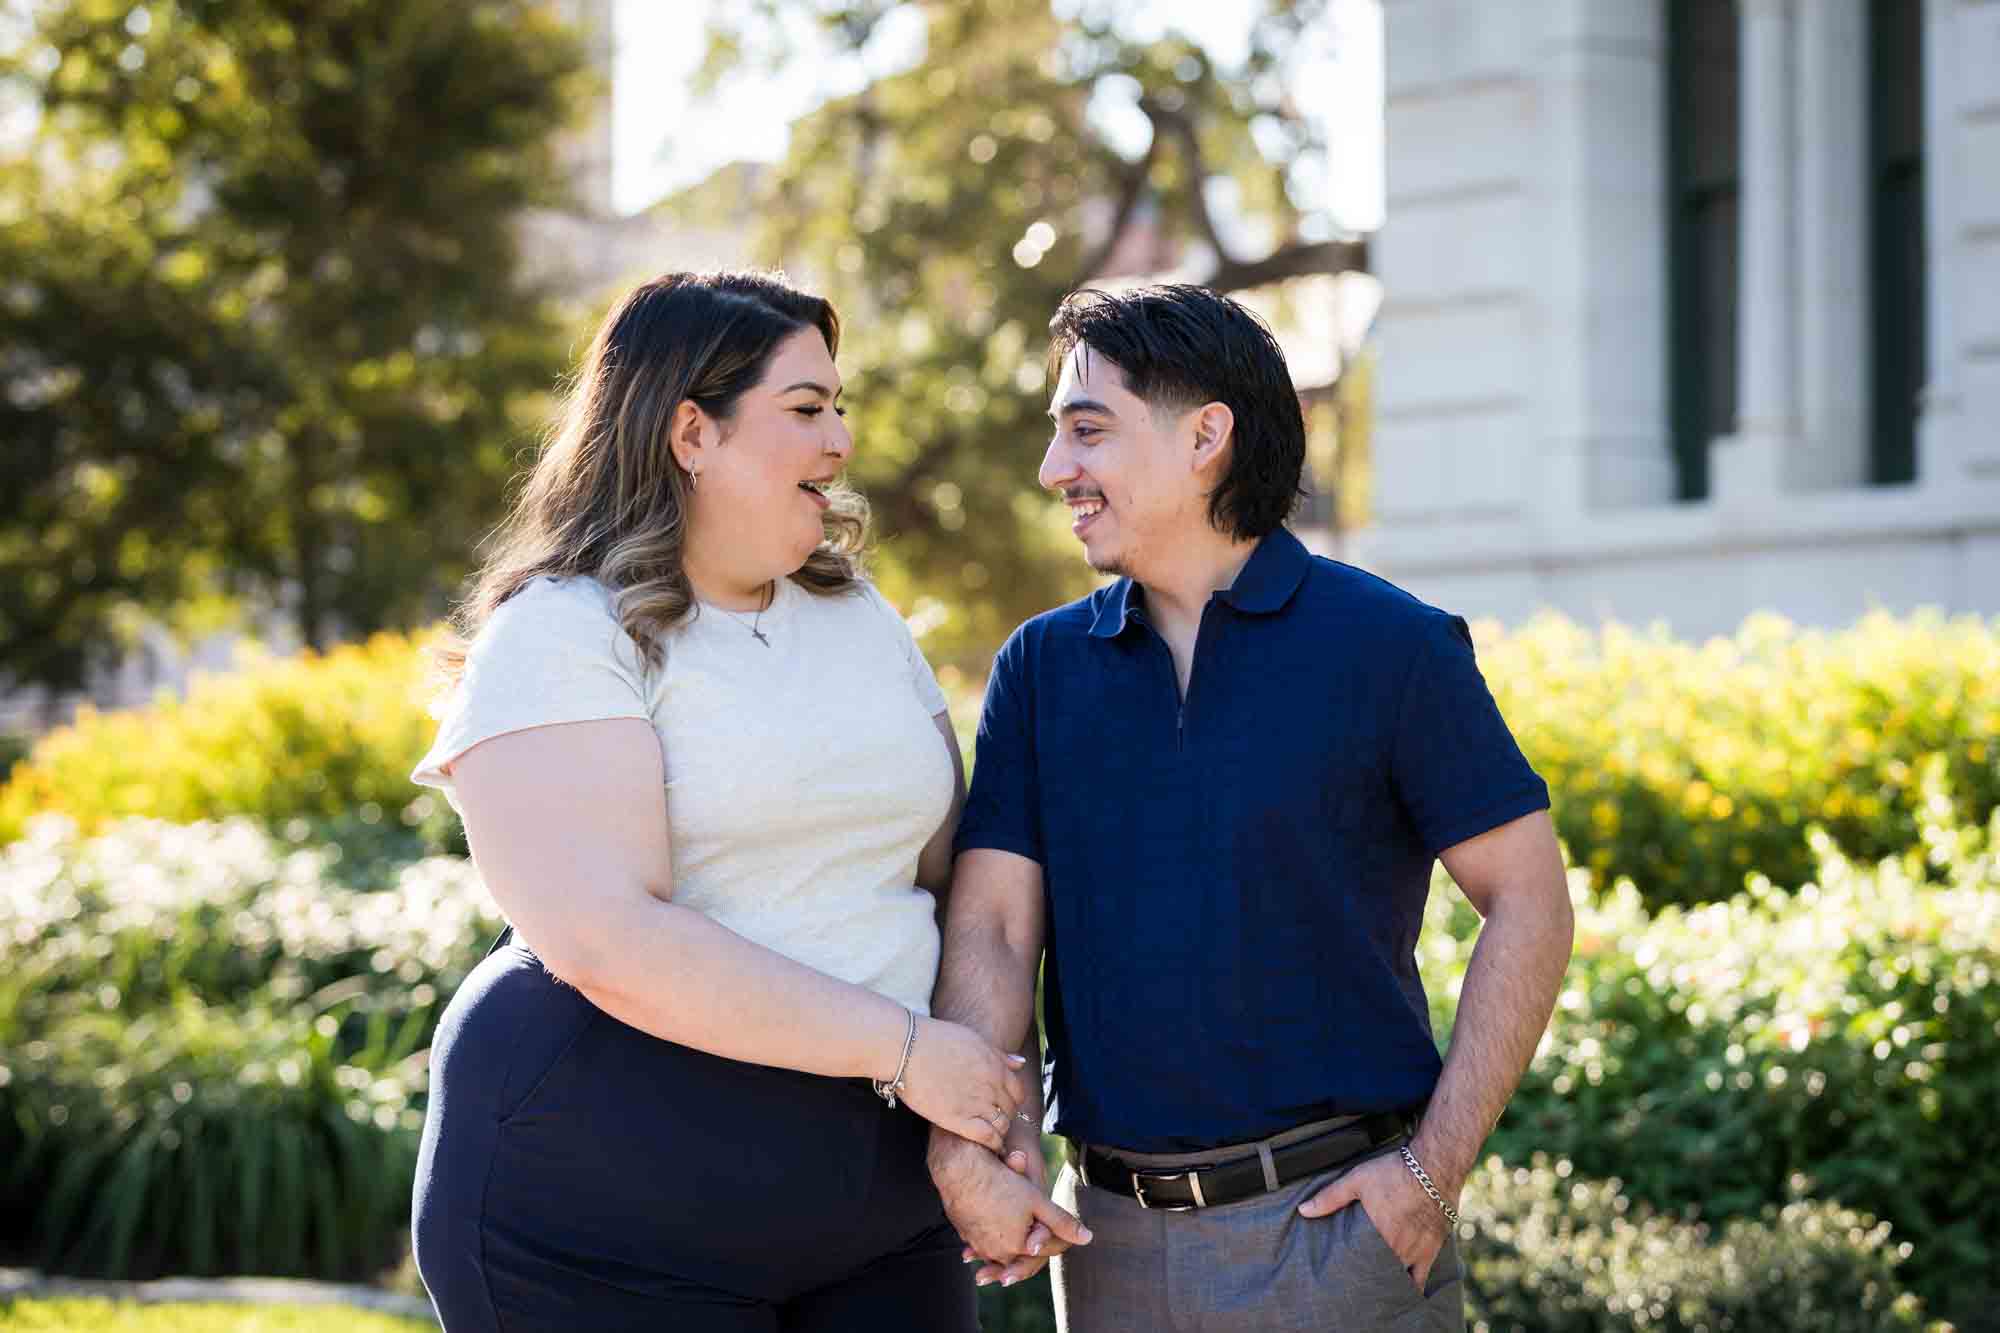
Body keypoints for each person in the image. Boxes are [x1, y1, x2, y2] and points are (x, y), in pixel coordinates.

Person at [406, 270, 1083, 1332]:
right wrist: (909, 1053)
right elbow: (606, 937)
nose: (840, 441)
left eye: (839, 409)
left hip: (874, 1197)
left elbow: (955, 880)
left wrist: (984, 1131)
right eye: (805, 409)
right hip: (605, 1202)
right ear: (690, 432)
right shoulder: (560, 632)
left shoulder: (857, 615)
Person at [926, 284, 1575, 1331]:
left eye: (1086, 431)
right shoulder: (1039, 670)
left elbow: (1529, 902)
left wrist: (1431, 1172)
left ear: (1205, 438)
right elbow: (996, 927)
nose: (1055, 470)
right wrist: (970, 1146)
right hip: (1104, 1249)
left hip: (1333, 1237)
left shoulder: (1388, 646)